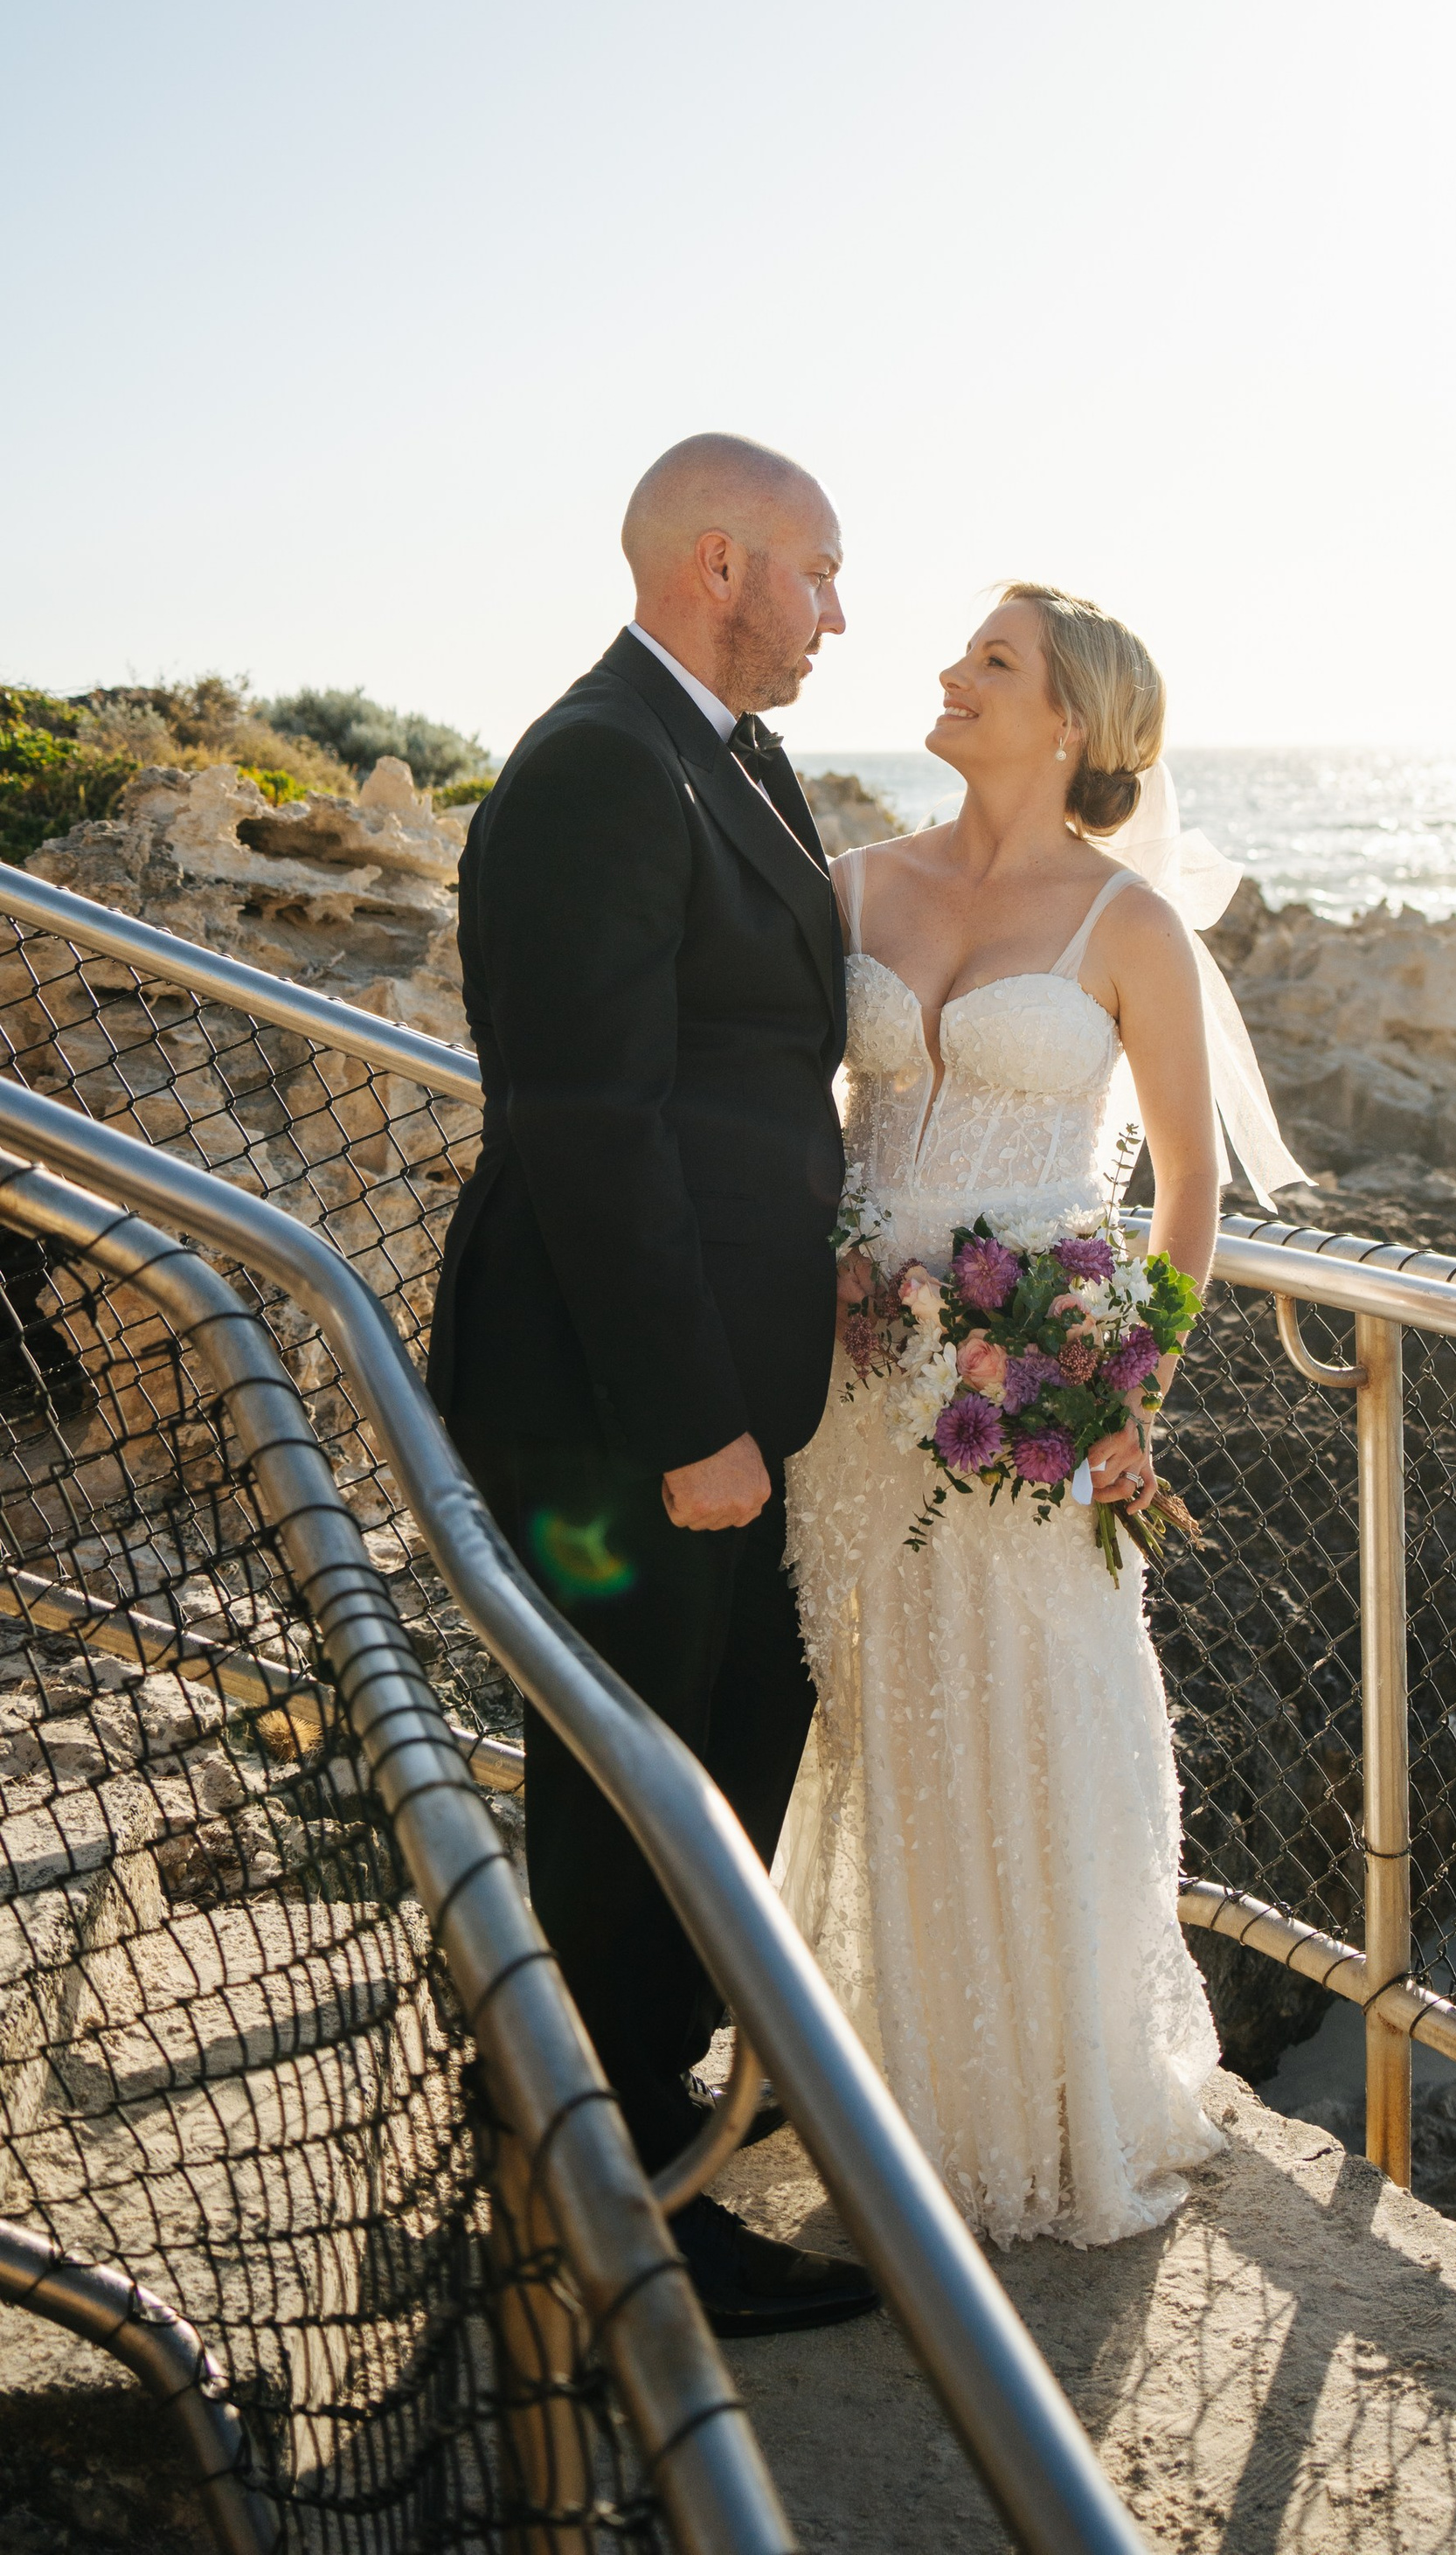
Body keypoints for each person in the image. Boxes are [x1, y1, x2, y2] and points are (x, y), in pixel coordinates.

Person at [780, 583, 1303, 2245]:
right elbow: (784, 1121)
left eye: (988, 661)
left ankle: (1047, 2103)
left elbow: (1192, 1194)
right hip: (850, 1395)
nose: (947, 671)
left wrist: (1127, 1386)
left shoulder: (1128, 927)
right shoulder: (850, 884)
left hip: (1033, 1401)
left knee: (1032, 1713)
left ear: (1069, 718)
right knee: (872, 1718)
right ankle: (893, 2084)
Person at [427, 433, 877, 2338]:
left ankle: (582, 2107)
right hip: (619, 1408)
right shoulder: (604, 767)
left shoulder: (721, 754)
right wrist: (697, 1423)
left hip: (707, 1394)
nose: (839, 614)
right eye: (820, 573)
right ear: (720, 563)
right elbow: (587, 1122)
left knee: (719, 1750)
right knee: (633, 1795)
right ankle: (627, 2213)